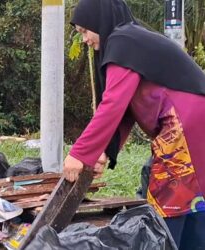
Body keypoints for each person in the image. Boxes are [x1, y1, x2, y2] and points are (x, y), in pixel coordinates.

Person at [63, 0, 205, 249]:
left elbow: (113, 104)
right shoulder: (131, 38)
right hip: (195, 120)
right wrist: (104, 151)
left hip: (185, 122)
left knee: (168, 200)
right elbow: (126, 111)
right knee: (194, 200)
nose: (85, 39)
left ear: (99, 22)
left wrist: (80, 154)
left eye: (85, 31)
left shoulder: (122, 41)